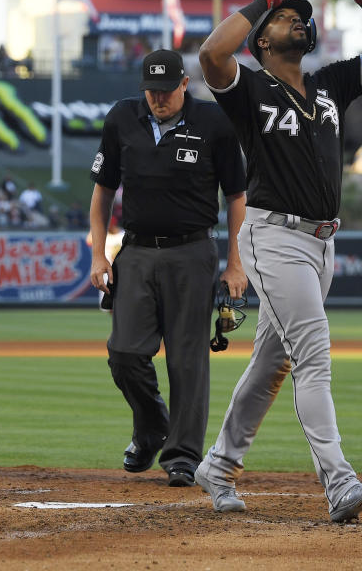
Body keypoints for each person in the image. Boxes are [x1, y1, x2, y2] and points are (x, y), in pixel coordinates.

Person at [194, 0, 362, 521]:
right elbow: (210, 56)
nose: (298, 21)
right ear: (262, 38)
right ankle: (338, 482)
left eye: (303, 16)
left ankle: (218, 465)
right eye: (285, 17)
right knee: (313, 353)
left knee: (273, 361)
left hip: (321, 245)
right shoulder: (250, 88)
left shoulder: (329, 83)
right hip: (273, 237)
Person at [89, 49, 248, 487]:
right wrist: (99, 253)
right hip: (136, 251)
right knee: (123, 352)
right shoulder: (123, 118)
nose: (158, 98)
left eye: (166, 90)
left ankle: (182, 455)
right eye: (151, 91)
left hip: (192, 252)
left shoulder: (215, 123)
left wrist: (236, 263)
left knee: (187, 360)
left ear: (184, 84)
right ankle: (151, 426)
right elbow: (103, 190)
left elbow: (237, 197)